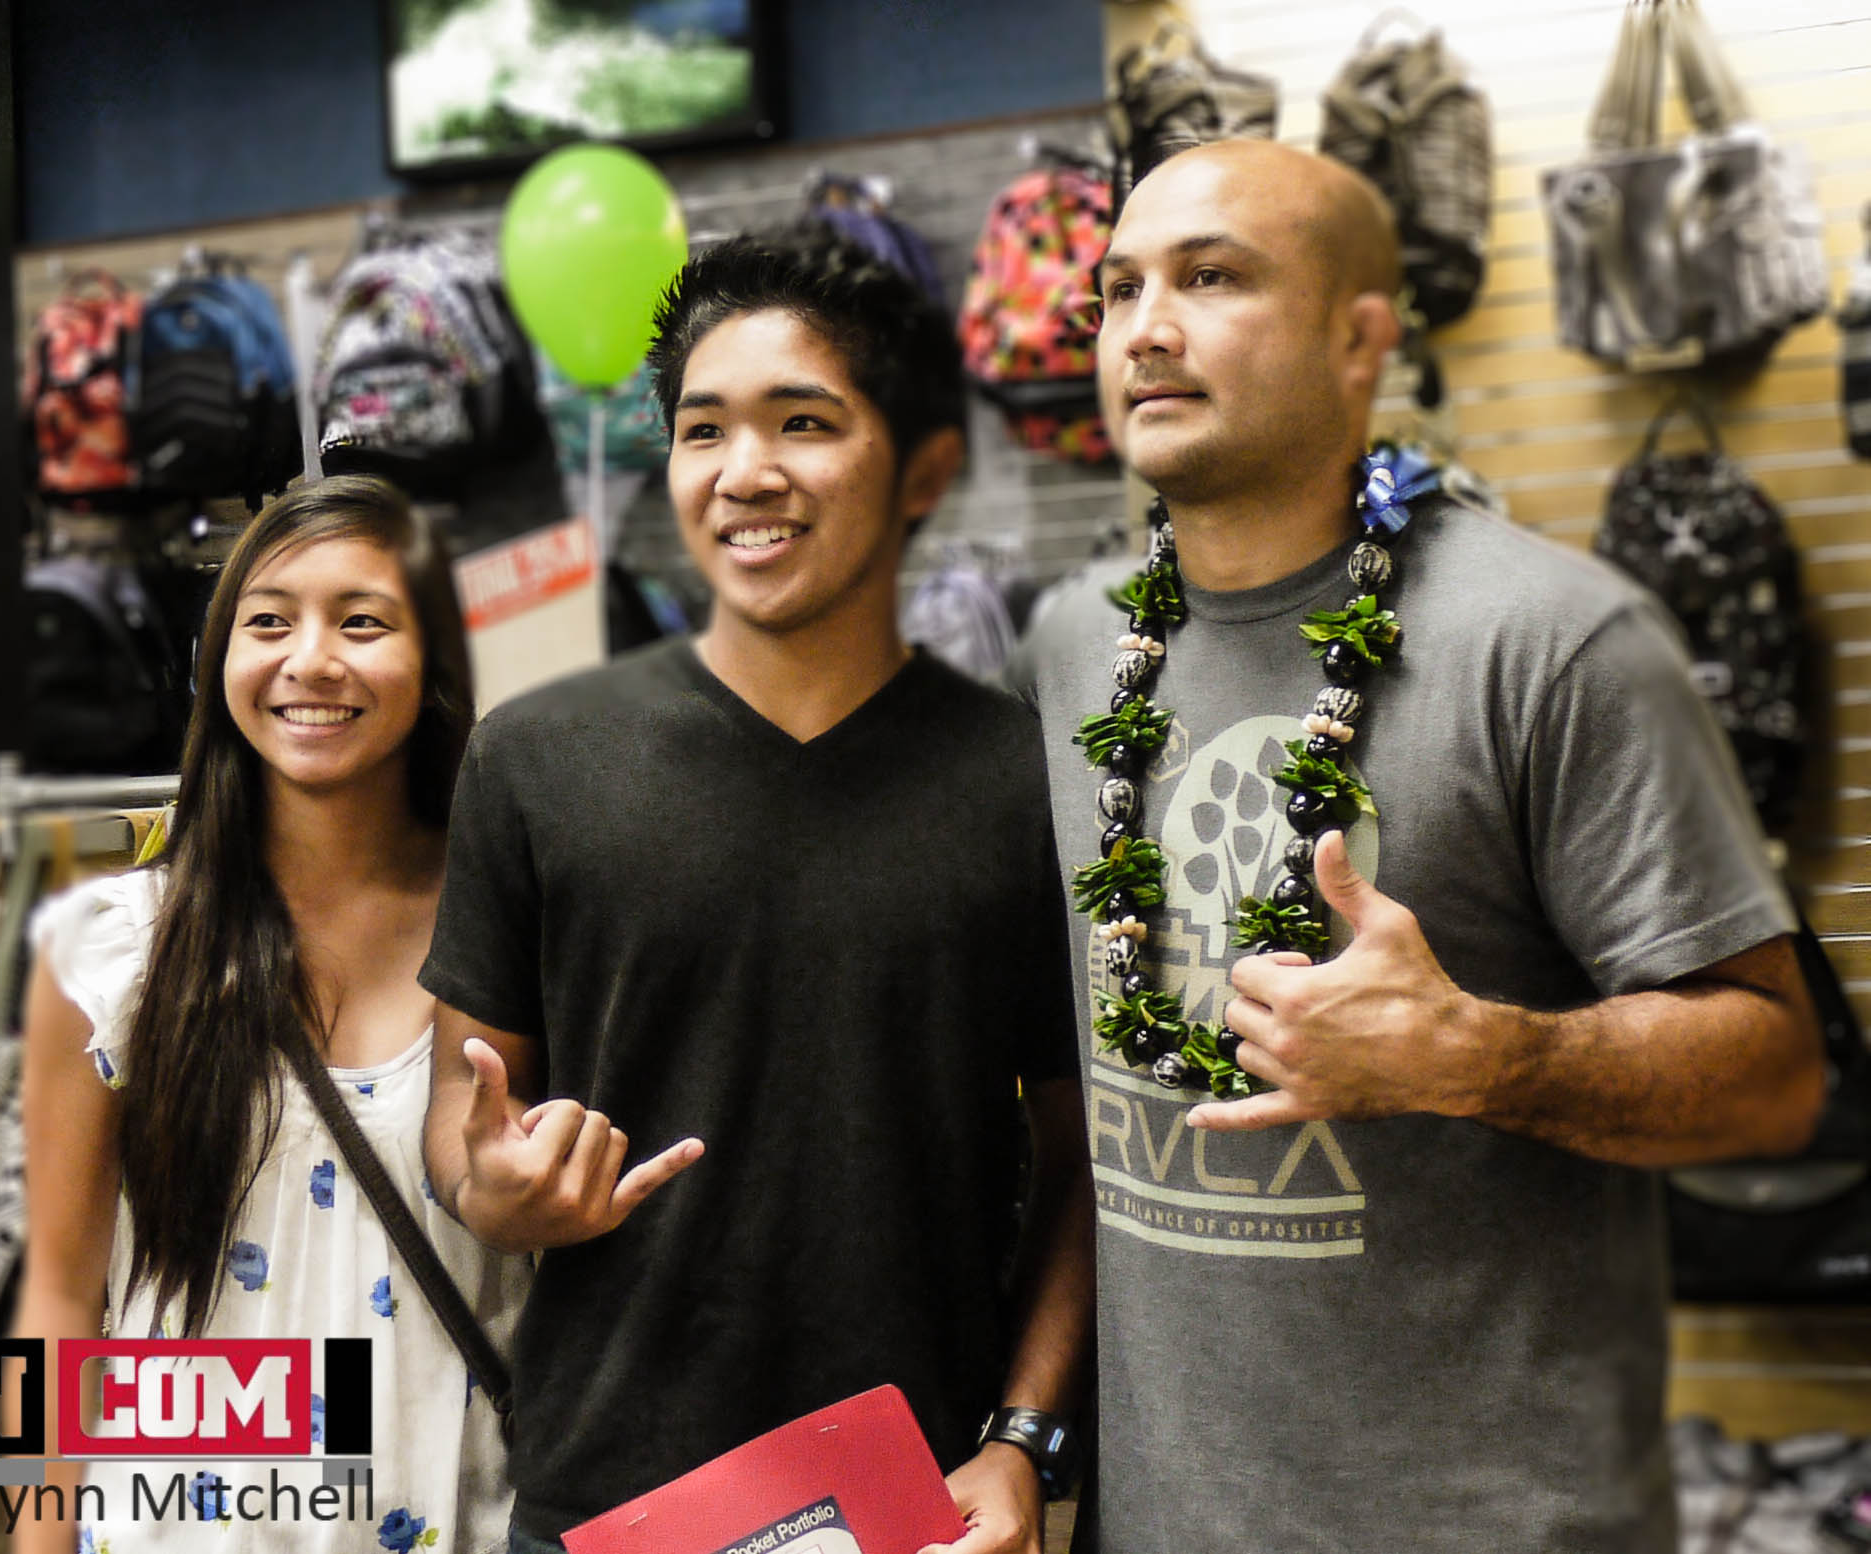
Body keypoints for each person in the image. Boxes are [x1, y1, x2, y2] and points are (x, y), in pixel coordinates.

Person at [1009, 137, 1825, 1553]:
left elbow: (1772, 1078)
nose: (1146, 327)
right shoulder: (1074, 646)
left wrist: (1480, 1057)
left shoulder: (1553, 639)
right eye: (1120, 287)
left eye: (1212, 278)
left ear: (1358, 339)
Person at [419, 230, 1094, 1554]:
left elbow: (1080, 1163)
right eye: (702, 429)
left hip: (919, 1506)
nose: (744, 471)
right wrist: (489, 1185)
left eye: (803, 422)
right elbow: (463, 1107)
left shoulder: (1018, 778)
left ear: (912, 466)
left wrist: (1022, 1440)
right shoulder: (534, 756)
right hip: (608, 1503)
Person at [13, 476, 529, 1554]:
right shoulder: (111, 953)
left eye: (362, 622)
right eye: (268, 621)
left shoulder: (519, 931)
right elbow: (61, 1298)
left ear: (436, 658)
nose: (310, 660)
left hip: (464, 1515)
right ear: (219, 660)